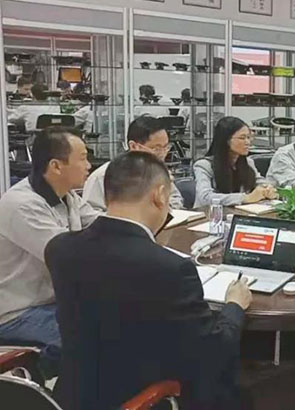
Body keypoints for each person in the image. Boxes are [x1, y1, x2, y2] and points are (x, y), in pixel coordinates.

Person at [46, 151, 252, 410]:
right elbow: (213, 351)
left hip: (73, 395)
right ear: (160, 195)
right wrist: (234, 306)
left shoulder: (60, 248)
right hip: (143, 398)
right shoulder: (171, 268)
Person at [0, 127, 100, 374]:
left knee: (117, 320)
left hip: (54, 300)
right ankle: (39, 379)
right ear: (56, 166)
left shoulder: (67, 196)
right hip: (19, 312)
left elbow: (98, 224)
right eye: (83, 158)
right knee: (90, 337)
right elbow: (66, 258)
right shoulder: (22, 205)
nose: (89, 165)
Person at [83, 116, 184, 211]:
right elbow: (91, 216)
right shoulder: (104, 176)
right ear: (134, 146)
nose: (163, 154)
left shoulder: (159, 170)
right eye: (156, 149)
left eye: (166, 147)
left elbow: (176, 198)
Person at [194, 116, 277, 208]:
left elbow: (260, 182)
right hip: (209, 214)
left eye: (249, 137)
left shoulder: (248, 162)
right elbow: (205, 198)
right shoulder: (204, 165)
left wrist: (268, 189)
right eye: (242, 138)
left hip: (240, 213)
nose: (248, 142)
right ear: (226, 140)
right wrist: (245, 198)